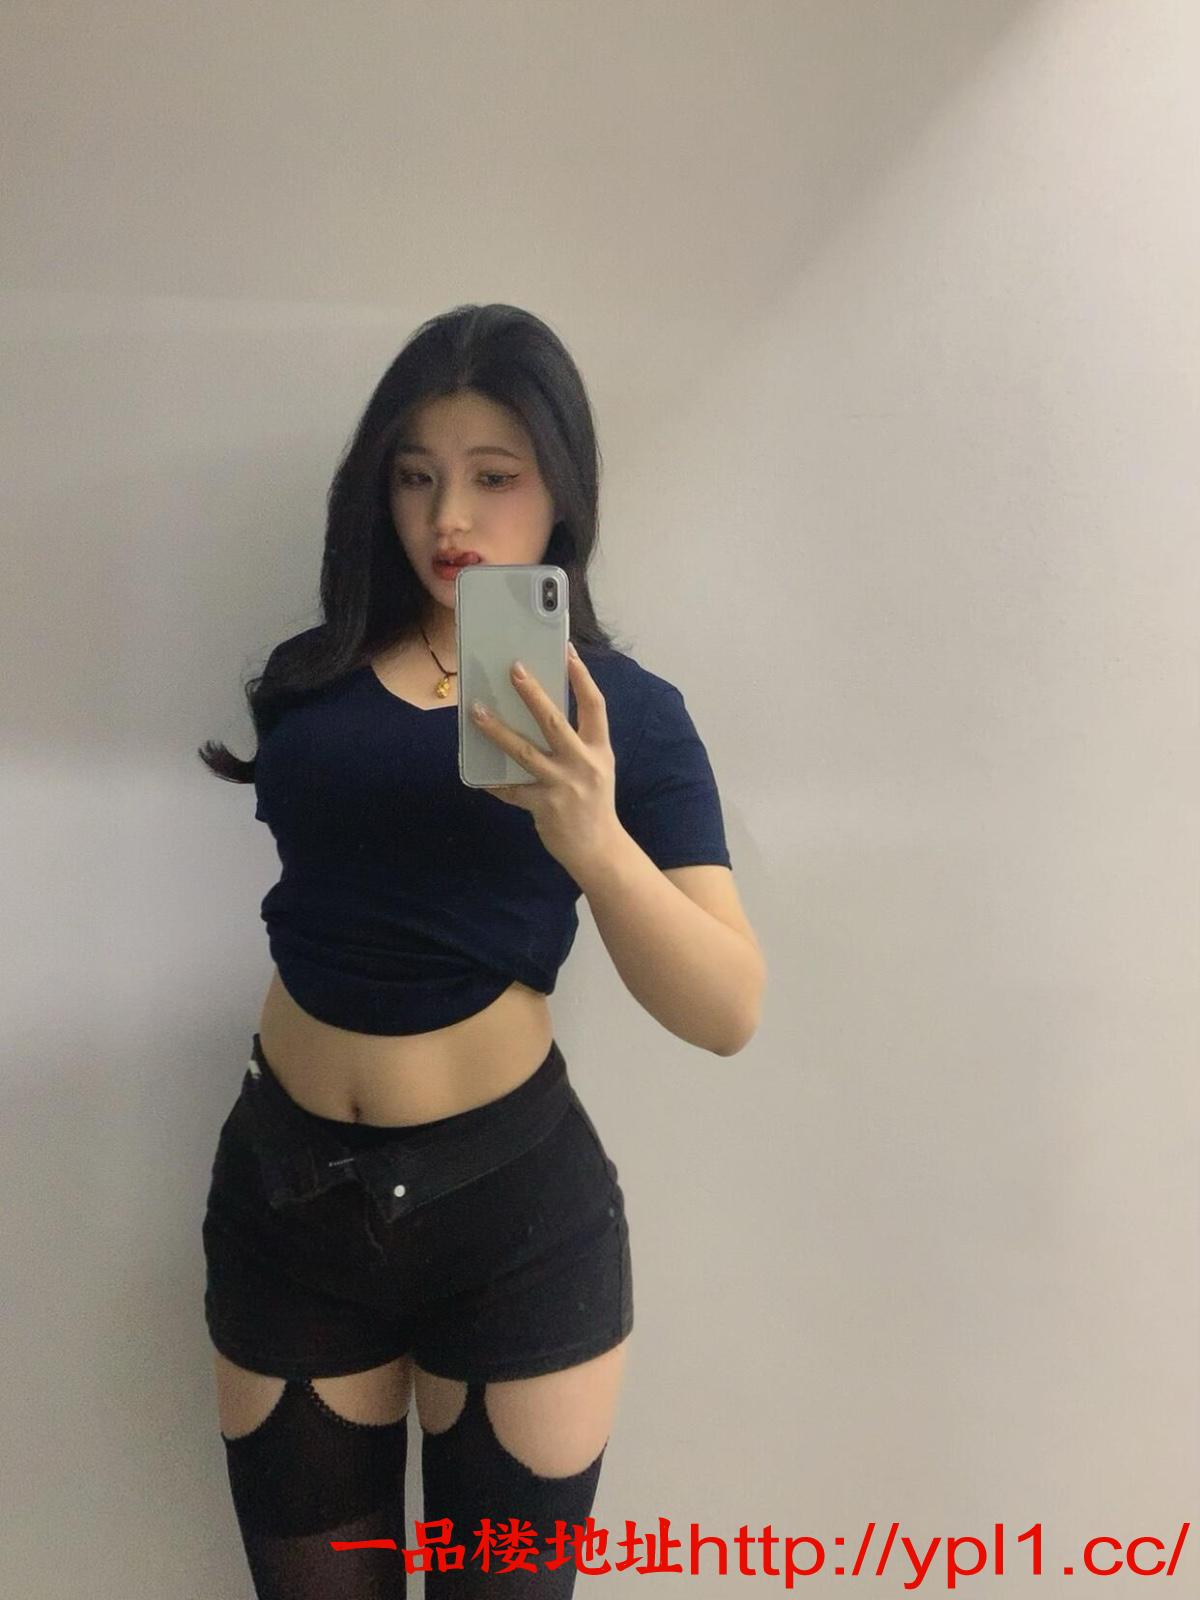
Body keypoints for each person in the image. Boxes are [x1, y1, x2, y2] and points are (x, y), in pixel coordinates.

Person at [196, 303, 766, 1597]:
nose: (448, 516)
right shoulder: (312, 678)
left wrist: (594, 839)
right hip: (288, 1197)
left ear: (562, 490)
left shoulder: (618, 718)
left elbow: (728, 1004)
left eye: (494, 477)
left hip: (514, 1218)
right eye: (416, 476)